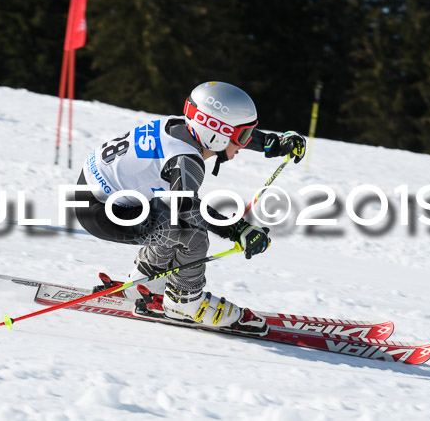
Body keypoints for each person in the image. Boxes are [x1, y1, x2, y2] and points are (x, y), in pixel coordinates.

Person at [75, 81, 306, 335]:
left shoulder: (181, 126)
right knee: (191, 234)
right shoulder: (186, 159)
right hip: (102, 211)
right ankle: (185, 301)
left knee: (168, 216)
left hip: (97, 196)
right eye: (242, 136)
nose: (244, 143)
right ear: (215, 134)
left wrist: (271, 143)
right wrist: (238, 229)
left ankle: (145, 283)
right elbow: (188, 210)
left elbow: (219, 134)